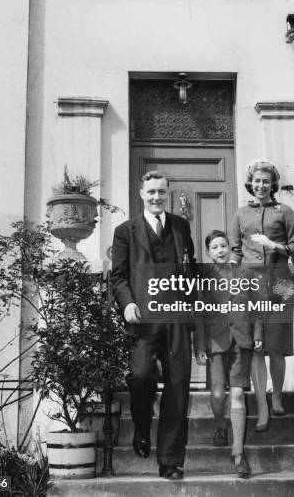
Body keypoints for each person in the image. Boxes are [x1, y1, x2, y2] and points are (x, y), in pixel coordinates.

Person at [111, 170, 195, 480]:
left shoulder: (181, 227)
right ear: (141, 194)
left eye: (161, 191)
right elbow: (117, 276)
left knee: (177, 388)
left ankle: (170, 461)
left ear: (167, 192)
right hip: (142, 320)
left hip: (176, 319)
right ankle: (143, 426)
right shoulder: (125, 231)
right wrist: (127, 303)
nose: (157, 197)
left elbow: (189, 270)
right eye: (151, 192)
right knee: (142, 375)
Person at [230, 160, 294, 432]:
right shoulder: (240, 214)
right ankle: (262, 407)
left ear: (273, 184)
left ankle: (277, 395)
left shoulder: (285, 211)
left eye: (266, 181)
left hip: (281, 284)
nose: (261, 185)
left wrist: (274, 245)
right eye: (257, 181)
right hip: (250, 286)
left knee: (276, 345)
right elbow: (236, 251)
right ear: (251, 184)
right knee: (256, 346)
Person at [194, 230, 263, 478]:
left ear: (229, 249)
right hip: (215, 341)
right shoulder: (204, 277)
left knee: (236, 394)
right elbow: (199, 314)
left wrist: (257, 335)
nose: (220, 250)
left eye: (223, 245)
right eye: (215, 247)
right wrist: (199, 346)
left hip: (240, 340)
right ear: (209, 252)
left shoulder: (245, 274)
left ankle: (238, 454)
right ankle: (220, 424)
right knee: (216, 393)